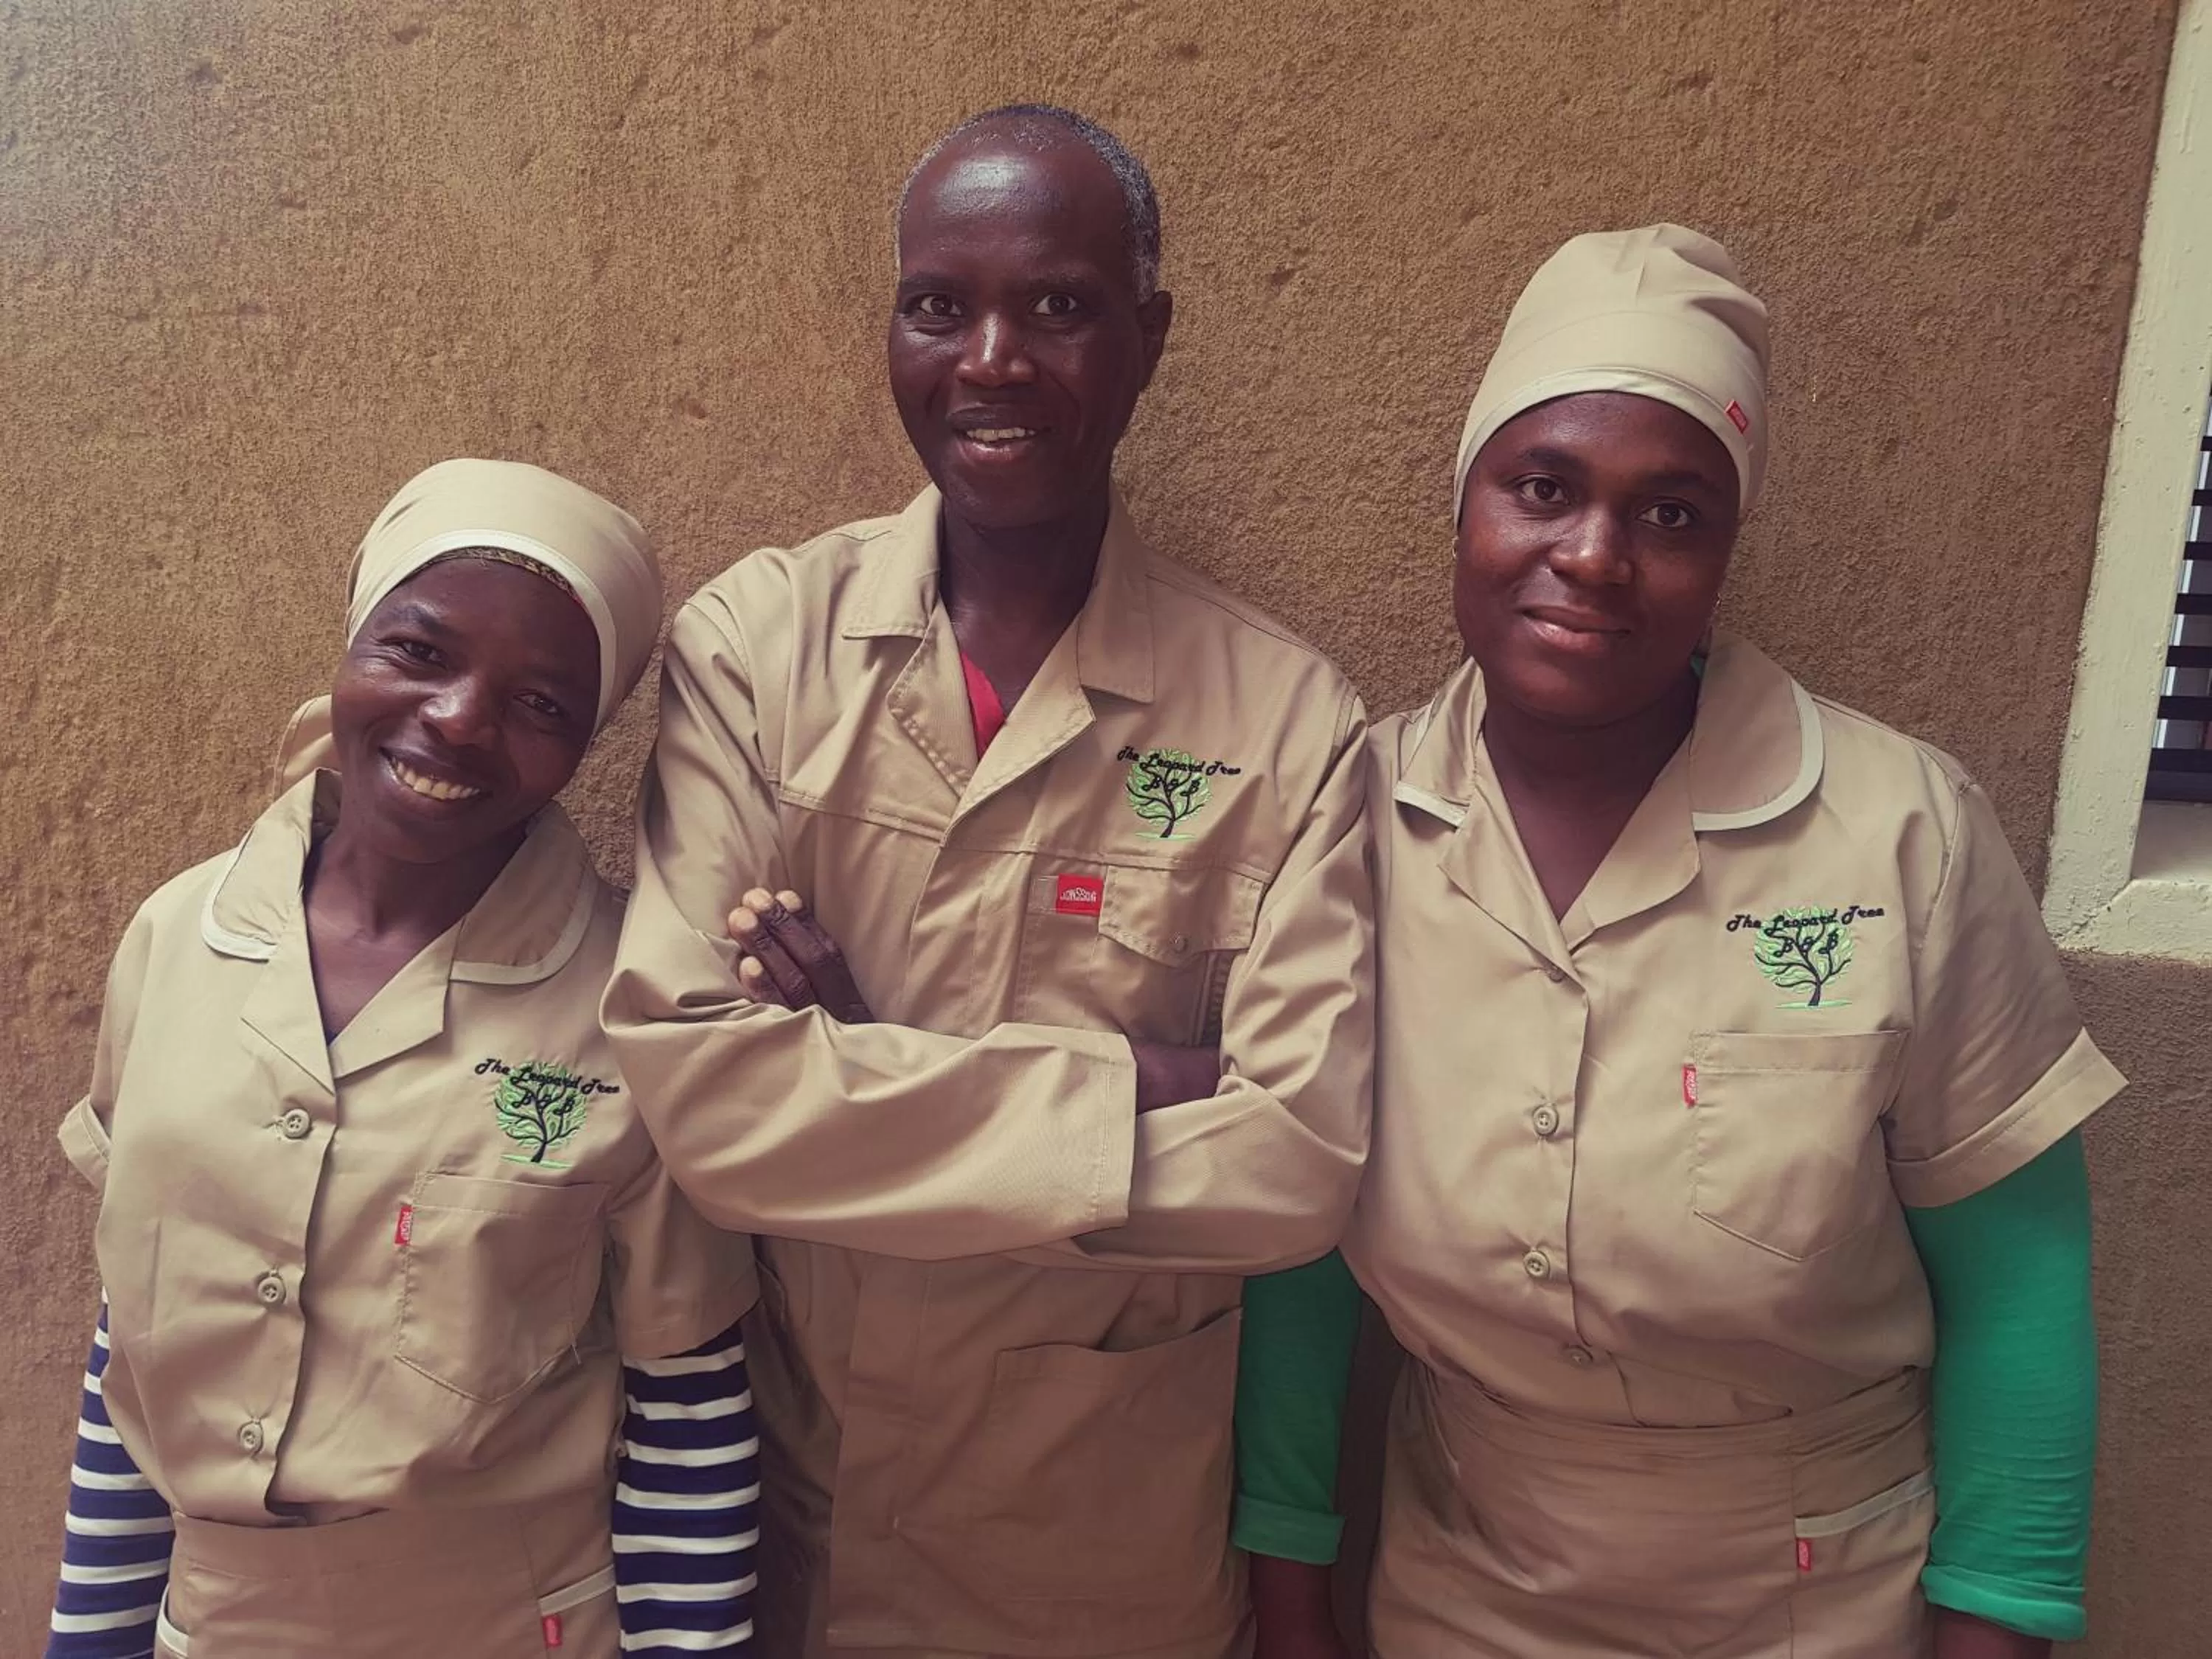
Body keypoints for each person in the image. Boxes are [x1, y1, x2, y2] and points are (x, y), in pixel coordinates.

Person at [1232, 226, 2120, 1658]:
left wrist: (1999, 1623)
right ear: (1463, 504)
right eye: (1543, 487)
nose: (1593, 557)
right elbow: (1296, 1246)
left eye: (1672, 512)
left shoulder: (1902, 830)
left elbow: (2018, 1280)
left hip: (1824, 1593)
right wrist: (1289, 1598)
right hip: (1465, 1583)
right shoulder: (1350, 824)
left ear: (1723, 555)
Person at [602, 105, 1374, 1658]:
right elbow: (707, 1106)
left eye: (1062, 306)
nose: (993, 359)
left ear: (1150, 339)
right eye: (939, 306)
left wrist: (865, 1066)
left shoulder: (1287, 724)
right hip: (804, 1543)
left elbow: (1295, 1167)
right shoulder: (759, 650)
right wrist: (1138, 1084)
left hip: (1104, 1561)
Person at [44, 459, 760, 1659]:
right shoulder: (177, 940)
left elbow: (687, 1415)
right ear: (352, 643)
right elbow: (133, 1355)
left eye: (540, 703)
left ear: (584, 742)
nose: (462, 718)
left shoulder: (632, 997)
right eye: (419, 651)